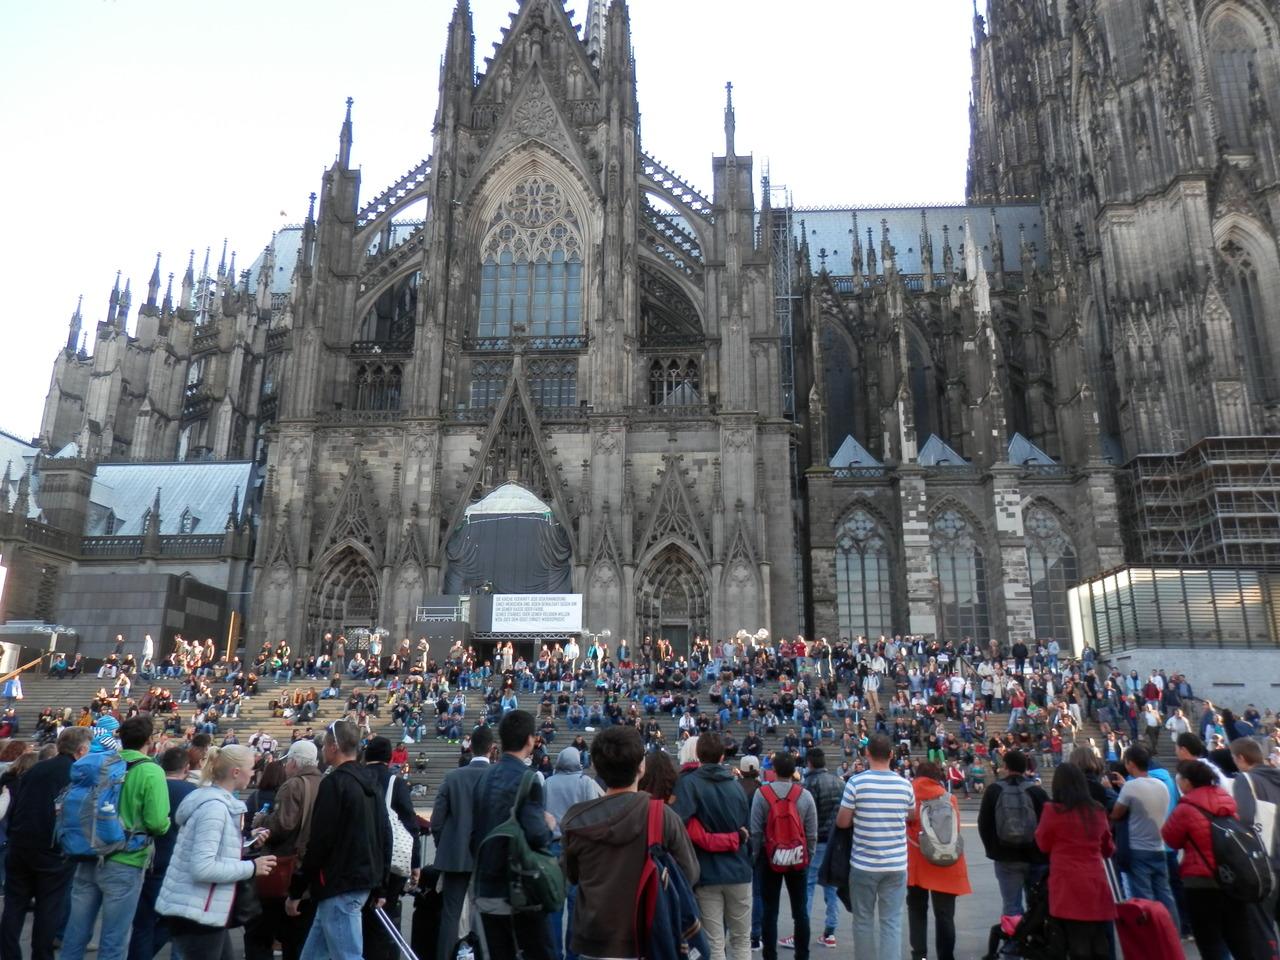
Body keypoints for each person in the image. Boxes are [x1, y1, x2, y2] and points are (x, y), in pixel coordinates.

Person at [560, 725, 700, 959]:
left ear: (595, 766)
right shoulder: (662, 816)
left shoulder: (576, 819)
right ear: (641, 767)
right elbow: (690, 872)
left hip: (593, 938)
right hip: (647, 935)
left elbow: (572, 875)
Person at [61, 714, 171, 960]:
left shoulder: (103, 762)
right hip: (126, 860)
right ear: (149, 740)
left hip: (89, 852)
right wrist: (167, 824)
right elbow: (157, 822)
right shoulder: (151, 771)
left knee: (75, 933)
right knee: (114, 938)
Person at [155, 745, 277, 960]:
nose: (253, 773)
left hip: (202, 909)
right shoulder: (214, 809)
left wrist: (248, 843)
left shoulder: (215, 804)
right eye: (251, 767)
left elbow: (215, 851)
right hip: (197, 912)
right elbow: (203, 867)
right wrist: (252, 867)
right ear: (236, 772)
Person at [286, 719, 390, 960]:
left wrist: (297, 888)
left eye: (325, 745)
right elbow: (384, 834)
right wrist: (380, 883)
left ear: (334, 747)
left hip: (339, 882)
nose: (322, 750)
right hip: (359, 879)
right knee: (315, 955)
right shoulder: (371, 784)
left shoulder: (335, 784)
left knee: (347, 955)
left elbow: (320, 841)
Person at [0, 726, 92, 960]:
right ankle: (41, 954)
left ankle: (9, 953)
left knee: (14, 905)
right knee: (48, 908)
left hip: (21, 842)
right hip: (52, 848)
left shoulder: (37, 768)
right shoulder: (77, 773)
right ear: (82, 750)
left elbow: (18, 804)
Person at [471, 709, 555, 960]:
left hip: (486, 887)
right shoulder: (528, 779)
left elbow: (474, 832)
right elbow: (537, 836)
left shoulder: (484, 778)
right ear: (530, 740)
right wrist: (548, 825)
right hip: (519, 891)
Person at [1162, 759, 1257, 960]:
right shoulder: (1226, 800)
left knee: (1210, 940)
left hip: (1200, 880)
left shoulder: (1186, 808)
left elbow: (1171, 838)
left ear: (1188, 782)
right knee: (1239, 937)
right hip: (1232, 875)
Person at [673, 731, 753, 960]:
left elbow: (678, 823)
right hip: (739, 870)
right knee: (741, 939)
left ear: (698, 754)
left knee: (714, 942)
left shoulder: (689, 784)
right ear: (722, 756)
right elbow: (747, 831)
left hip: (707, 872)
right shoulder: (736, 786)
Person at [835, 733, 914, 960]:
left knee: (863, 920)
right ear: (891, 754)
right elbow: (911, 815)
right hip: (896, 864)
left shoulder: (856, 783)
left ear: (867, 753)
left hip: (864, 864)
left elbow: (842, 822)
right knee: (892, 922)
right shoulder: (905, 785)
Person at [244, 739, 324, 960]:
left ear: (295, 763)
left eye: (288, 761)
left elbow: (283, 825)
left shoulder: (293, 785)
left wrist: (262, 820)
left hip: (285, 867)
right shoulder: (324, 783)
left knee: (261, 934)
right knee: (297, 939)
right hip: (310, 870)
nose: (286, 766)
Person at [1034, 763, 1117, 958]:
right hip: (1095, 879)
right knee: (1098, 936)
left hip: (1066, 881)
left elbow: (1043, 844)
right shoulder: (1097, 810)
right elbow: (1108, 848)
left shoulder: (1052, 810)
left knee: (1074, 937)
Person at [432, 725, 496, 960]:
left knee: (450, 914)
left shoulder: (453, 777)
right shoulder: (497, 777)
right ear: (492, 748)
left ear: (470, 747)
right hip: (488, 858)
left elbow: (437, 821)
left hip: (455, 855)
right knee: (485, 914)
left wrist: (445, 845)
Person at [128, 746, 198, 960]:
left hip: (145, 857)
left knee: (143, 921)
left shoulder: (151, 784)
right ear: (186, 768)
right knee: (172, 919)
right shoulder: (193, 793)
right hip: (176, 862)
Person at [750, 751, 817, 960]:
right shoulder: (804, 795)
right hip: (797, 857)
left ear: (774, 770)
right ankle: (802, 955)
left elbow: (756, 831)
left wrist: (756, 856)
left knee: (770, 911)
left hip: (770, 856)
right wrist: (808, 856)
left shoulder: (762, 794)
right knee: (800, 912)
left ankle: (770, 955)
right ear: (794, 771)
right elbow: (811, 832)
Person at [362, 737, 422, 960]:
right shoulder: (395, 783)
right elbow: (411, 825)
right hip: (390, 863)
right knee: (383, 921)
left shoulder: (355, 777)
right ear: (389, 758)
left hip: (358, 860)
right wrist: (415, 863)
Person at [905, 761, 971, 960]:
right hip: (946, 861)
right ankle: (946, 956)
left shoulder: (909, 796)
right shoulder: (950, 798)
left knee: (917, 911)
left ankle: (920, 955)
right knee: (945, 915)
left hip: (917, 861)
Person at [543, 746, 604, 960]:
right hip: (578, 848)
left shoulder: (548, 783)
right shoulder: (585, 782)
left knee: (555, 904)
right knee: (576, 903)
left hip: (554, 845)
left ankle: (554, 953)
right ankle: (573, 953)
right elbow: (594, 813)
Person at [1109, 744, 1179, 929]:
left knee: (1145, 897)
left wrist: (1112, 789)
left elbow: (1116, 813)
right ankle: (1173, 931)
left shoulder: (1131, 787)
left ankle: (1152, 934)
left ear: (1131, 763)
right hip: (1159, 846)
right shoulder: (1162, 785)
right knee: (1165, 894)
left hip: (1138, 848)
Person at [977, 749, 1049, 927]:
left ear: (1005, 766)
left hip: (1006, 856)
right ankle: (1035, 938)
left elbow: (984, 823)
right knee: (1037, 905)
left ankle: (1013, 941)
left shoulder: (994, 790)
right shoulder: (1037, 791)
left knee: (1011, 906)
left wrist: (994, 849)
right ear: (1025, 768)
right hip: (1035, 856)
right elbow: (1048, 823)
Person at [801, 748, 843, 948]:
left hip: (816, 840)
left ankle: (802, 930)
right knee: (831, 886)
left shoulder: (810, 784)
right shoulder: (839, 782)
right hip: (834, 841)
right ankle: (830, 932)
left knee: (808, 885)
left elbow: (806, 815)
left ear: (809, 762)